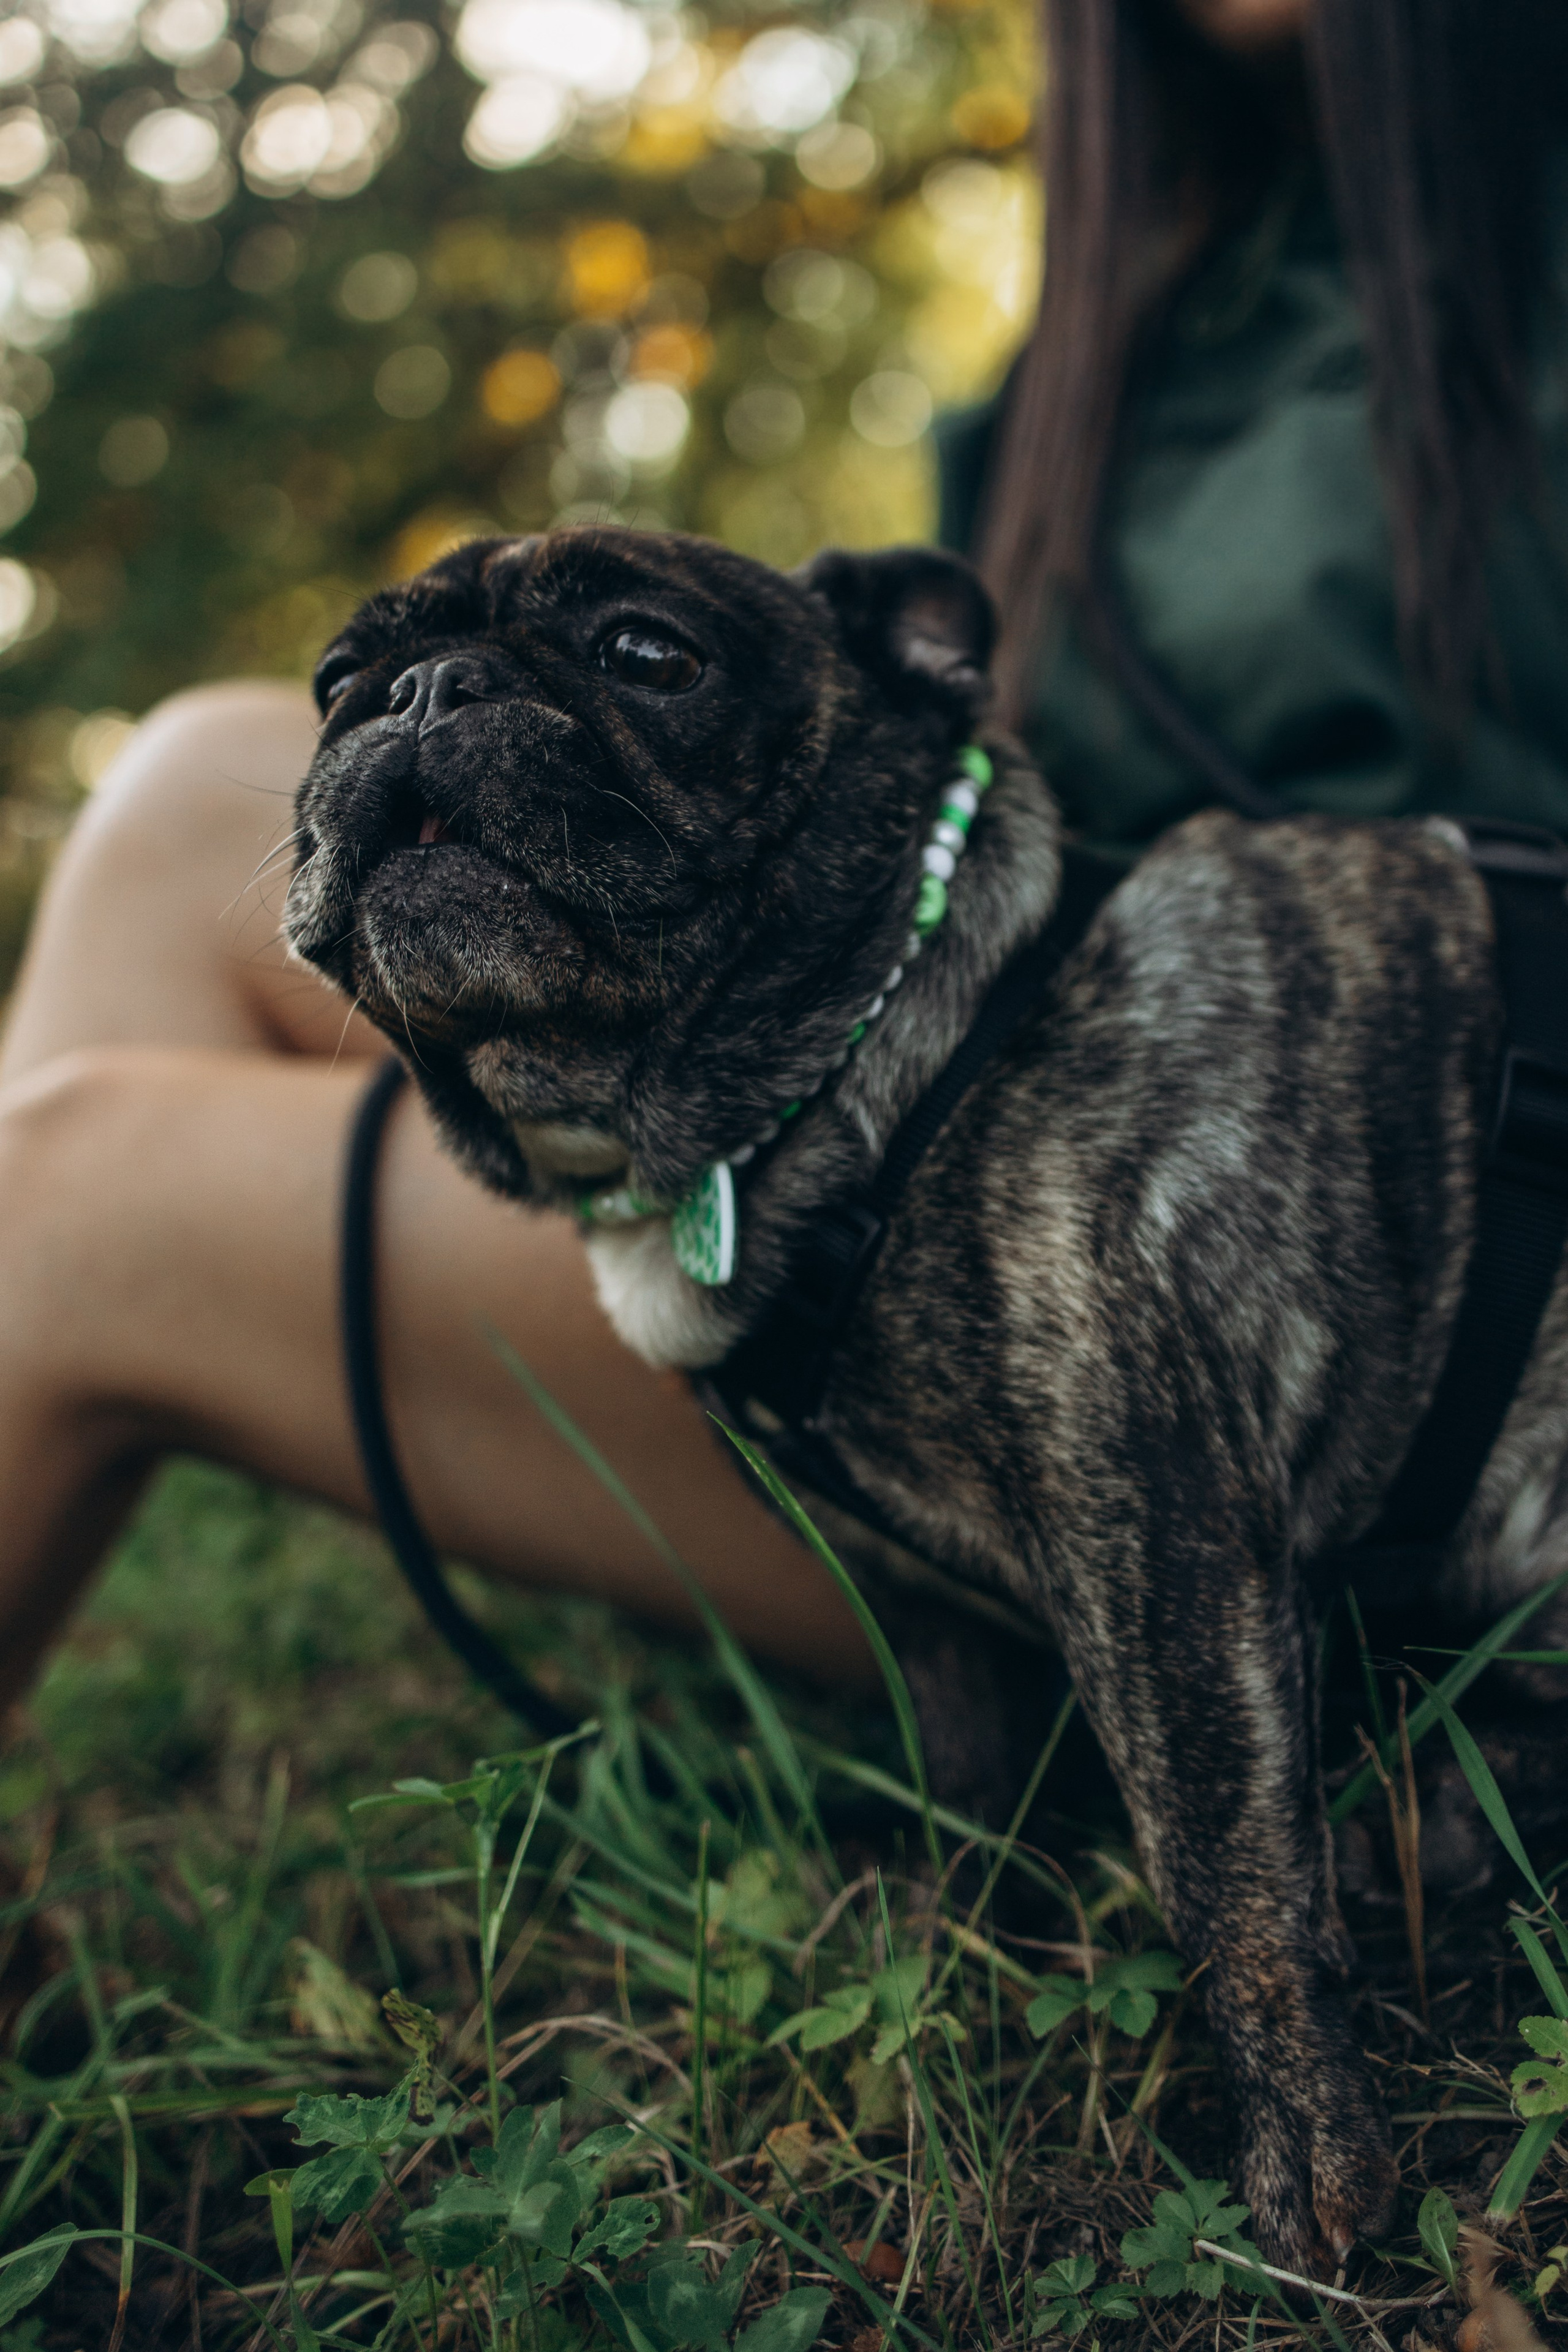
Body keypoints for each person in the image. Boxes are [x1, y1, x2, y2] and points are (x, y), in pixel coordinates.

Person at [1, 0, 1563, 1710]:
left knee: (67, 1202)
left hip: (1358, 1370)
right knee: (183, 803)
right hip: (968, 1207)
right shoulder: (1150, 295)